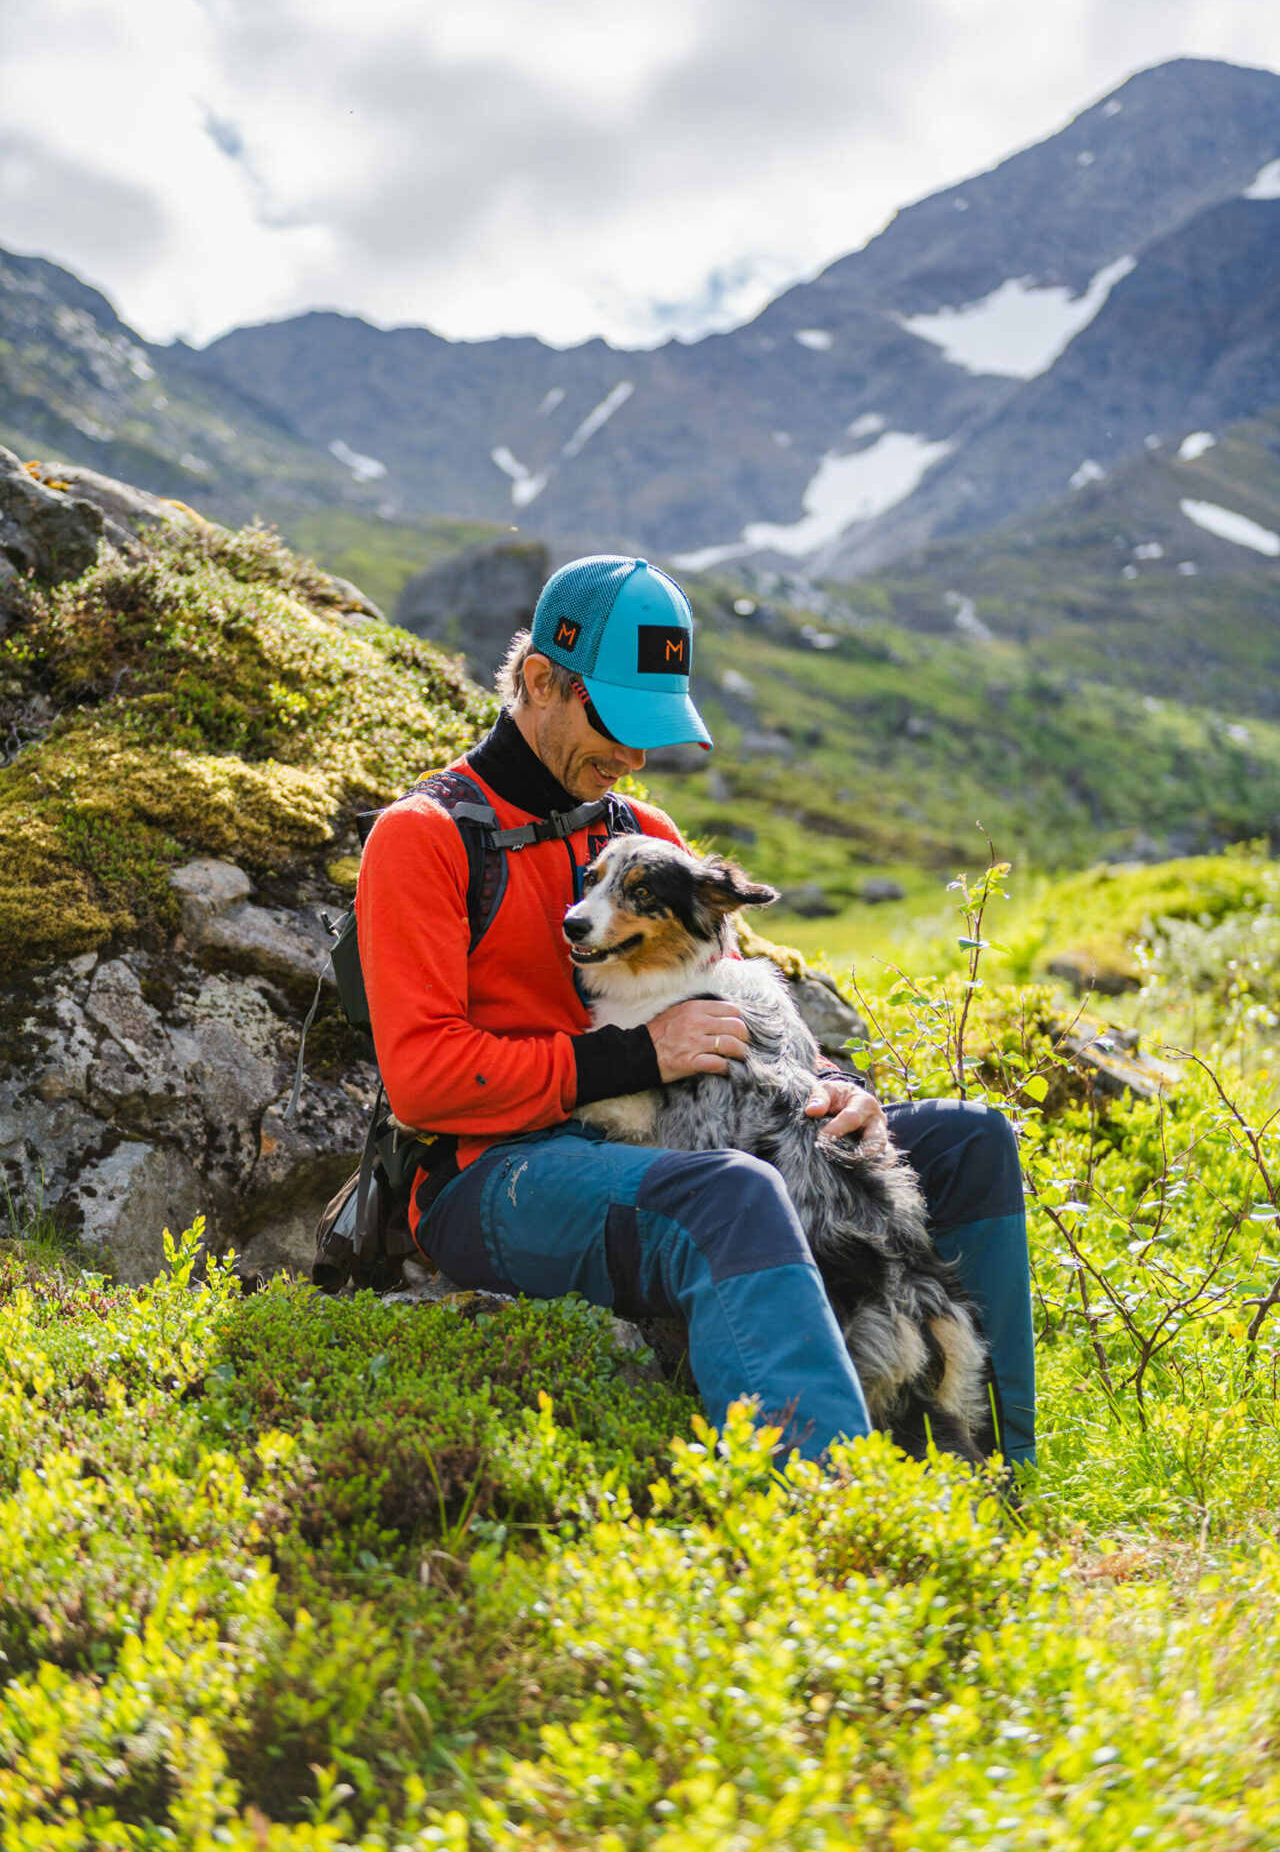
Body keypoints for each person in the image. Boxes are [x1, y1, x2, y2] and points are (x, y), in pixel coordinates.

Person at [357, 555, 1036, 1465]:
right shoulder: (424, 839)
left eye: (651, 732)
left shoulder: (646, 833)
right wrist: (641, 1055)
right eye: (617, 725)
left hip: (678, 1130)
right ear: (538, 681)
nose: (634, 759)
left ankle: (1002, 1485)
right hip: (496, 1174)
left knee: (972, 1140)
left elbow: (740, 1005)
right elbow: (425, 1082)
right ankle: (836, 1520)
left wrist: (835, 1085)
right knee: (729, 1193)